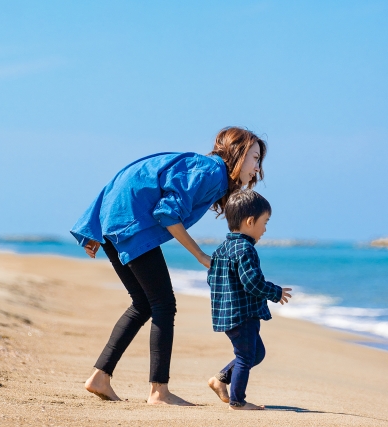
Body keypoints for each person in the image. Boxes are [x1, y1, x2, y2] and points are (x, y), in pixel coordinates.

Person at [70, 127, 267, 405]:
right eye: (255, 158)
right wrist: (200, 255)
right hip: (130, 226)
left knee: (143, 303)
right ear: (239, 152)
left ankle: (100, 377)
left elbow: (126, 177)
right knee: (163, 304)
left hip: (113, 224)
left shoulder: (205, 170)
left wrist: (94, 229)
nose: (257, 169)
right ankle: (159, 392)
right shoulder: (211, 170)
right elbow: (166, 212)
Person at [206, 190, 292, 410]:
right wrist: (275, 292)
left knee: (256, 353)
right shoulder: (246, 249)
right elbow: (252, 282)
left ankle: (220, 379)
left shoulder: (220, 249)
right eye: (264, 223)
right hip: (243, 315)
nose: (265, 229)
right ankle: (237, 401)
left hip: (228, 314)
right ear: (250, 221)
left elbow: (211, 278)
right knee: (245, 357)